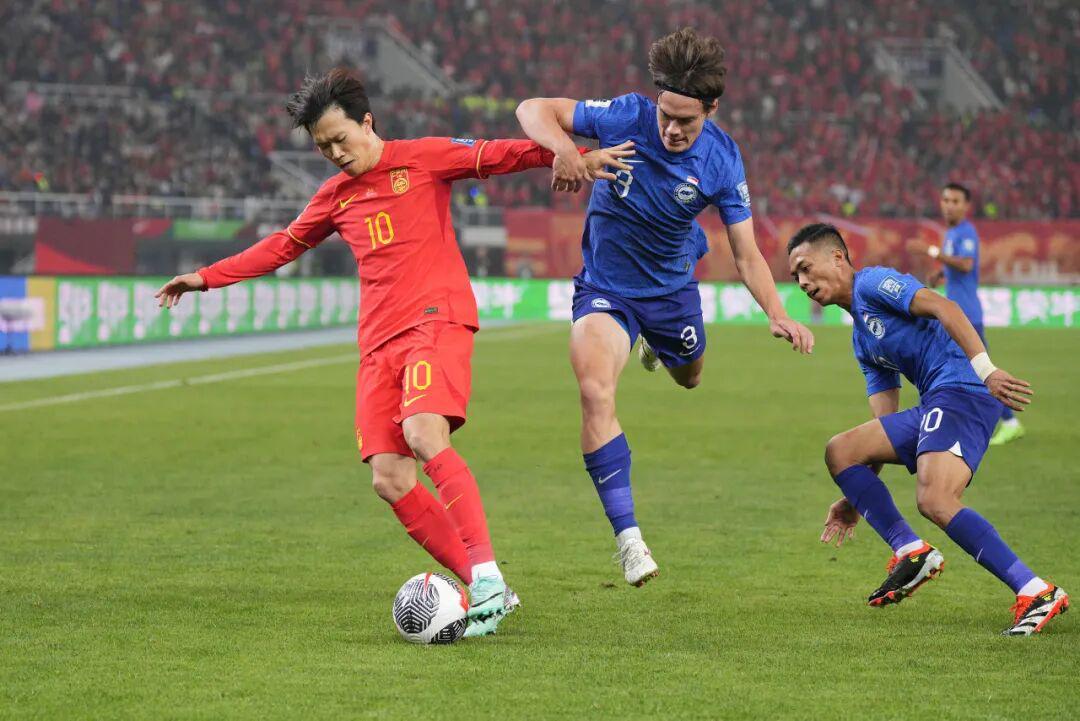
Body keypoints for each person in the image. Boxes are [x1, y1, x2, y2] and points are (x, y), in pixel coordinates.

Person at [155, 68, 630, 636]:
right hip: (377, 343)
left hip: (436, 320)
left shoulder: (423, 158)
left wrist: (574, 155)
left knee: (424, 432)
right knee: (390, 478)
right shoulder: (334, 197)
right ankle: (491, 590)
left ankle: (483, 574)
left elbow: (501, 153)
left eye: (340, 139)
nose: (335, 154)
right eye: (323, 147)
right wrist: (206, 277)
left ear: (367, 123)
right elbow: (282, 246)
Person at [516, 28, 814, 587]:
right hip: (606, 289)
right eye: (666, 115)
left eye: (686, 121)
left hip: (672, 292)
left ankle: (658, 345)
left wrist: (778, 312)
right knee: (594, 390)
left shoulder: (723, 159)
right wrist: (568, 153)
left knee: (690, 377)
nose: (672, 129)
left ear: (712, 109)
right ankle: (629, 540)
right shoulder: (625, 114)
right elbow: (532, 108)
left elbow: (745, 252)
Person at [788, 222, 1068, 636]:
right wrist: (856, 496)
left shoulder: (873, 284)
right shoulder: (863, 341)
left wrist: (986, 371)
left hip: (963, 391)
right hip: (938, 402)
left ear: (838, 257)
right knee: (842, 451)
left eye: (806, 268)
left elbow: (944, 307)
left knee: (936, 498)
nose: (802, 282)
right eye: (795, 276)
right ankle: (910, 550)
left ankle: (1036, 591)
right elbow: (882, 425)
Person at [907, 182, 1023, 445]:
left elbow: (967, 264)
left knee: (980, 371)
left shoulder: (966, 232)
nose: (949, 206)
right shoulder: (952, 233)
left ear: (966, 206)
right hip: (955, 313)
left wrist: (931, 252)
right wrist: (940, 273)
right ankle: (989, 420)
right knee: (969, 370)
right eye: (946, 200)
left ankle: (1008, 421)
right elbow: (956, 266)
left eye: (955, 201)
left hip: (967, 315)